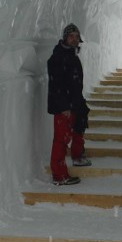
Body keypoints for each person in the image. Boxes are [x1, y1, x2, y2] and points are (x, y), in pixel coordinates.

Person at [47, 23, 92, 186]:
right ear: (65, 38)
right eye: (71, 36)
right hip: (64, 106)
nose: (74, 39)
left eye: (76, 36)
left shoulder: (71, 56)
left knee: (79, 127)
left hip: (74, 102)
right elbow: (56, 84)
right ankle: (59, 175)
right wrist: (64, 106)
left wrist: (78, 102)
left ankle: (78, 157)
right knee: (61, 140)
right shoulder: (58, 57)